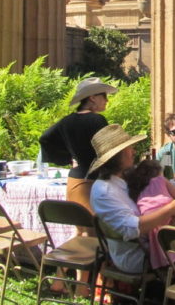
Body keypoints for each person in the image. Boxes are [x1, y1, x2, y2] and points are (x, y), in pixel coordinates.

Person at [90, 125, 175, 273]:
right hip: (136, 256)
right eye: (129, 148)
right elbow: (132, 228)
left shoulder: (124, 180)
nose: (133, 152)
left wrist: (169, 222)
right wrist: (169, 210)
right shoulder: (104, 191)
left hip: (153, 243)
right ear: (118, 155)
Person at [39, 77, 117, 224]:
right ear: (93, 97)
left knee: (80, 228)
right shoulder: (97, 120)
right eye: (104, 96)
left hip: (74, 179)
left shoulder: (66, 121)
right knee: (94, 230)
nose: (106, 100)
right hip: (94, 181)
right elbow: (110, 152)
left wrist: (68, 158)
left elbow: (45, 139)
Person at [124, 158, 175, 269]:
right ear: (158, 172)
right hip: (168, 214)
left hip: (155, 226)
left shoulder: (136, 189)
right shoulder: (160, 179)